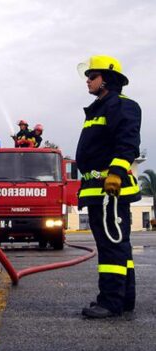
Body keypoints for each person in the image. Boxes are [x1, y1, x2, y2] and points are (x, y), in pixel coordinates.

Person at [75, 55, 141, 319]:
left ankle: (111, 302)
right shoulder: (100, 108)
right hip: (98, 190)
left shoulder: (121, 106)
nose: (88, 81)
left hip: (109, 191)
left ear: (107, 79)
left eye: (92, 76)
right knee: (118, 246)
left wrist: (114, 173)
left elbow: (127, 143)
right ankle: (124, 298)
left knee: (112, 245)